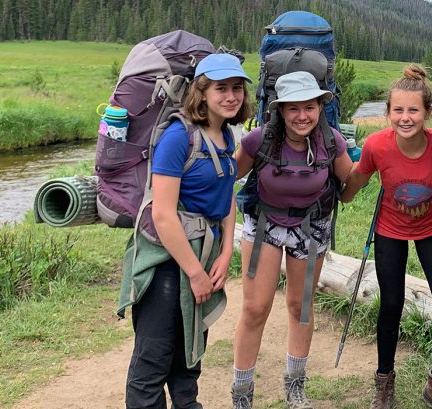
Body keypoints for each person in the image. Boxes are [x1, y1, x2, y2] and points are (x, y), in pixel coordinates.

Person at [121, 52, 253, 409]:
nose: (231, 96)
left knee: (188, 354)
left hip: (204, 254)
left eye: (237, 88)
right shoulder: (179, 137)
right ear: (201, 92)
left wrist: (226, 253)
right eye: (221, 88)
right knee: (153, 359)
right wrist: (195, 274)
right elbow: (163, 215)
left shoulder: (226, 136)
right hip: (167, 260)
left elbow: (226, 199)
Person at [340, 65, 432, 409]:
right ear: (388, 112)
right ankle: (384, 382)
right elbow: (356, 179)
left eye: (413, 110)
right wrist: (335, 196)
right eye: (398, 110)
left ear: (427, 112)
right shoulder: (377, 145)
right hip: (390, 231)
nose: (405, 118)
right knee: (391, 306)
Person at [230, 71, 353, 409]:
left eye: (309, 107)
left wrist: (378, 163)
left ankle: (295, 387)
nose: (302, 116)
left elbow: (350, 186)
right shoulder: (258, 140)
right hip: (264, 224)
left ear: (319, 107)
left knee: (301, 308)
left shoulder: (331, 142)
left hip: (311, 231)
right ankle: (242, 392)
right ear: (280, 111)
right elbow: (227, 175)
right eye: (293, 109)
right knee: (255, 308)